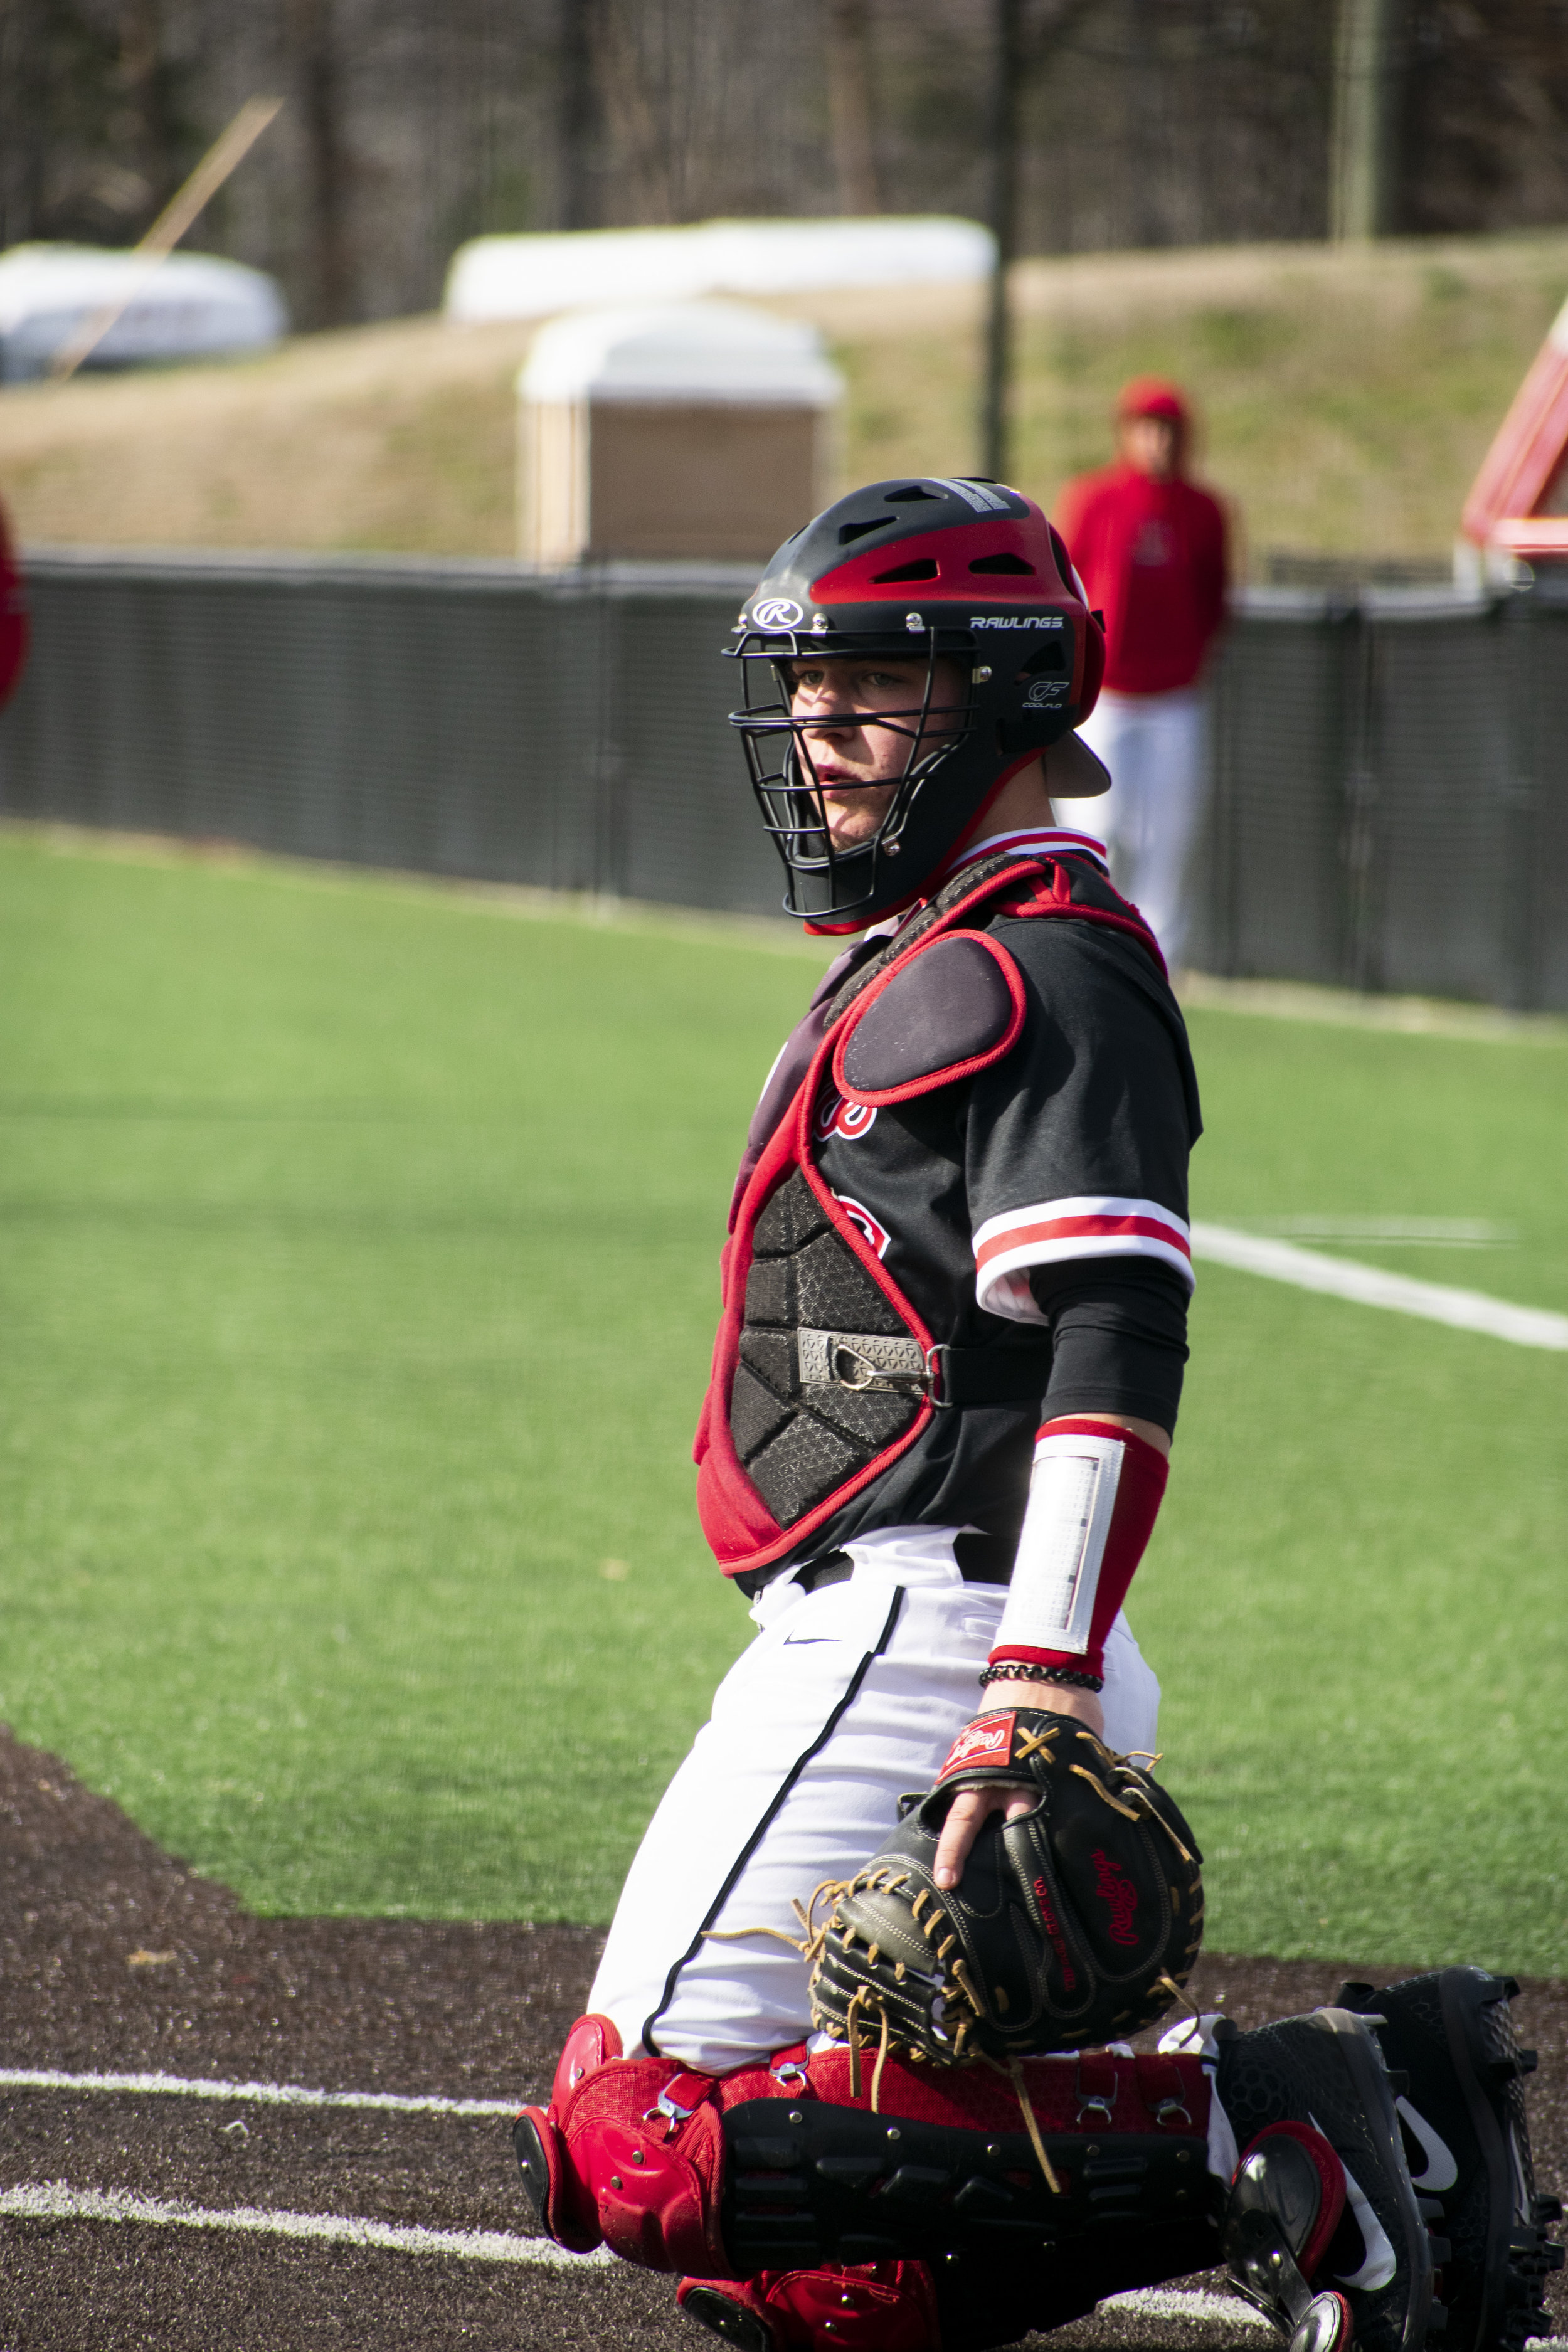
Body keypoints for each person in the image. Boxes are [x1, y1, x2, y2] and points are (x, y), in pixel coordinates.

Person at [514, 479, 1559, 2352]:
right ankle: (1372, 2110)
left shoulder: (1038, 958)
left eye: (867, 692)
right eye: (806, 691)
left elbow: (1112, 1332)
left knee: (633, 2139)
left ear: (995, 703)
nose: (818, 739)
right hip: (956, 1617)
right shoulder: (947, 942)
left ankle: (1281, 2119)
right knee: (837, 2275)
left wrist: (1034, 1678)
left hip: (942, 1629)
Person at [1050, 378, 1229, 970]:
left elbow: (1214, 598)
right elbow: (1063, 585)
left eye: (1168, 429)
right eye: (1145, 427)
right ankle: (1094, 946)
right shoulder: (1094, 499)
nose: (1156, 441)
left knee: (1170, 837)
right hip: (1108, 696)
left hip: (1176, 697)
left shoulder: (1204, 511)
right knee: (1100, 826)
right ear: (1126, 433)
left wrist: (1190, 658)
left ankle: (1160, 967)